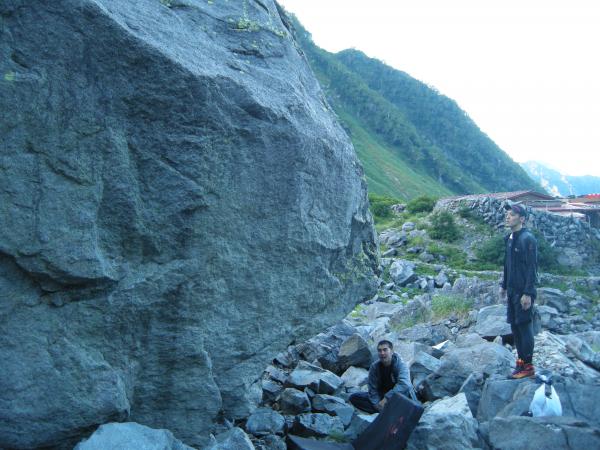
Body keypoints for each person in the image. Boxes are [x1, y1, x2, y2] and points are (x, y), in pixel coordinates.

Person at [499, 202, 538, 379]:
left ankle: (528, 366)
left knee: (524, 326)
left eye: (512, 214)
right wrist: (504, 285)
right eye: (507, 214)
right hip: (512, 290)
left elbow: (532, 268)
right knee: (515, 326)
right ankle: (520, 363)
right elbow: (507, 264)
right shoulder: (509, 238)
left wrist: (528, 293)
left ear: (522, 219)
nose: (508, 217)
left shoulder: (527, 239)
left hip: (523, 292)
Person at [349, 340, 417, 413]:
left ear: (392, 351)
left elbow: (404, 385)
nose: (382, 353)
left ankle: (390, 411)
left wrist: (386, 398)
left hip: (401, 396)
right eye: (379, 351)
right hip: (382, 396)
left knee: (407, 403)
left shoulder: (401, 365)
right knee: (354, 397)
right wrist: (376, 404)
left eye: (385, 350)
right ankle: (384, 411)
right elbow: (372, 389)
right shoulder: (374, 367)